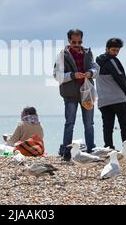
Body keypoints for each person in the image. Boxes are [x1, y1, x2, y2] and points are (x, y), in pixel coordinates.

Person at [53, 29, 100, 161]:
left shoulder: (88, 53)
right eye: (74, 42)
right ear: (69, 41)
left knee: (89, 124)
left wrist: (90, 72)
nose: (77, 44)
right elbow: (57, 75)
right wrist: (73, 75)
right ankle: (66, 152)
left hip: (87, 94)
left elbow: (96, 68)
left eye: (79, 41)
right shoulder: (62, 55)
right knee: (69, 123)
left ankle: (91, 151)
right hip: (70, 94)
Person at [96, 38, 126, 159]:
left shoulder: (96, 63)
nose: (116, 53)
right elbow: (121, 78)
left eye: (117, 50)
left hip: (103, 100)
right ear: (106, 49)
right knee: (125, 125)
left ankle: (108, 150)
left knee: (107, 126)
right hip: (118, 99)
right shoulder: (112, 61)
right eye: (113, 50)